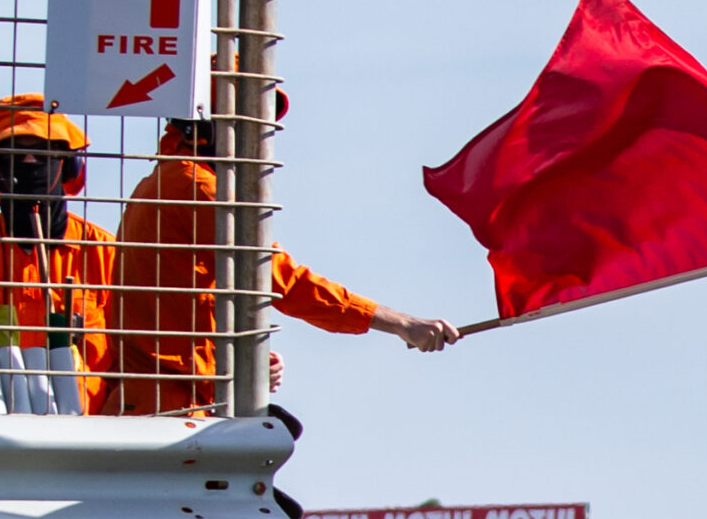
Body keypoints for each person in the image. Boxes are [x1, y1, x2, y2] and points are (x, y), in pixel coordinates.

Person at [108, 114, 459, 415]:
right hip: (174, 403)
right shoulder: (197, 188)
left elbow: (185, 302)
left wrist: (245, 359)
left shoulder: (166, 181)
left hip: (160, 393)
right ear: (202, 129)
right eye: (245, 123)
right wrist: (402, 324)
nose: (258, 140)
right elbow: (281, 280)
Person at [0, 95, 118, 412]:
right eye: (15, 153)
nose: (29, 163)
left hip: (93, 435)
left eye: (42, 152)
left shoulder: (104, 251)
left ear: (69, 163)